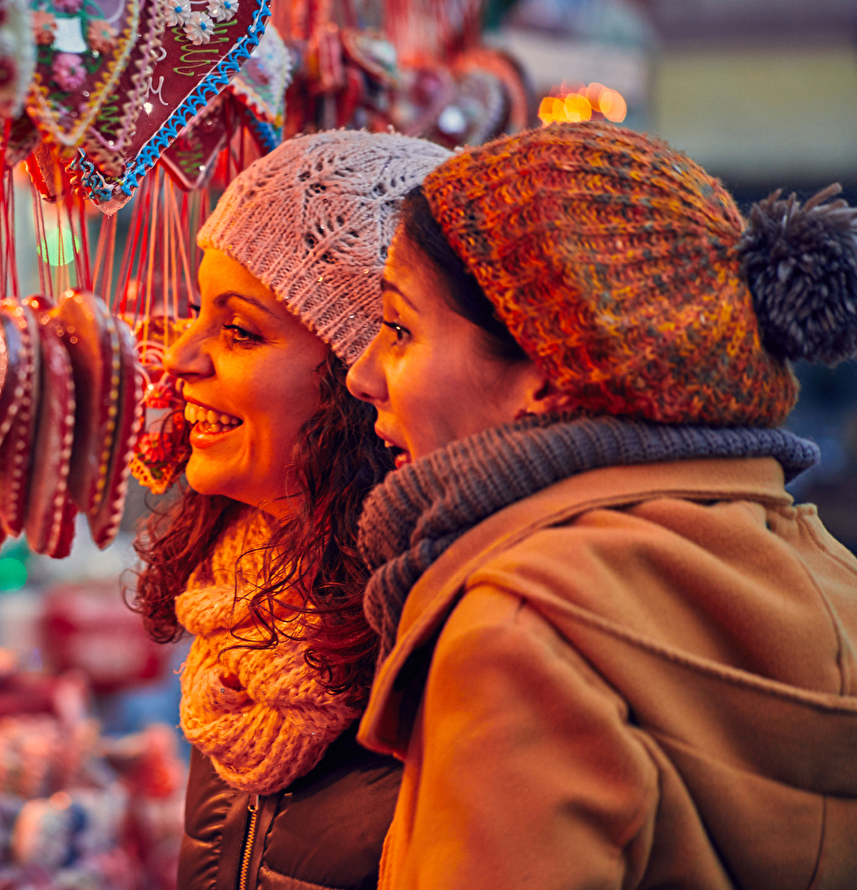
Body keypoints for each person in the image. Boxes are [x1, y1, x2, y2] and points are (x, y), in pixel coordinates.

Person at [344, 121, 857, 888]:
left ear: (548, 372)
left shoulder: (518, 638)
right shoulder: (832, 576)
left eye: (397, 328)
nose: (360, 375)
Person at [131, 130, 450, 890]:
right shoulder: (237, 616)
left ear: (362, 380)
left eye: (239, 331)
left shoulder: (438, 647)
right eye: (196, 313)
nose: (181, 357)